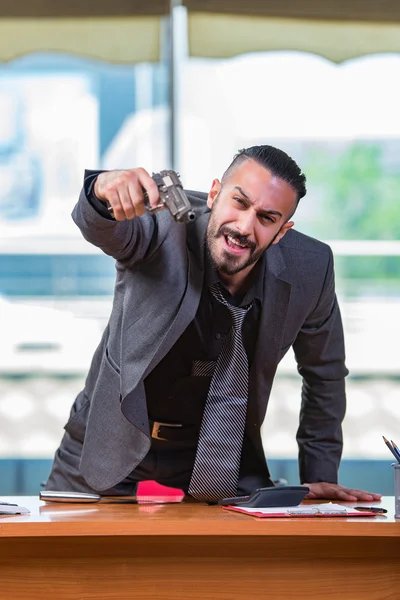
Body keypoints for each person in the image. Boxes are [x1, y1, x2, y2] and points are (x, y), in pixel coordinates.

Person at [46, 145, 381, 503]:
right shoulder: (161, 224)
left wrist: (320, 482)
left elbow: (324, 374)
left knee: (233, 558)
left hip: (218, 455)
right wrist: (101, 190)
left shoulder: (310, 268)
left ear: (282, 231)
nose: (244, 227)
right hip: (110, 437)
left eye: (267, 218)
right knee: (56, 551)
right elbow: (101, 226)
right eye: (239, 202)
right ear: (214, 193)